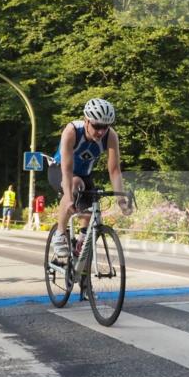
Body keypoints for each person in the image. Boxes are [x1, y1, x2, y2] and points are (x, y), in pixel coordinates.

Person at [48, 98, 131, 262]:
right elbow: (67, 168)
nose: (101, 132)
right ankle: (59, 234)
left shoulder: (110, 135)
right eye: (97, 126)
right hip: (60, 170)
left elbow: (114, 170)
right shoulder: (72, 131)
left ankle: (81, 246)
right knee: (76, 184)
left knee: (92, 207)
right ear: (86, 121)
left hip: (84, 175)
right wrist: (70, 198)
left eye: (105, 127)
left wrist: (121, 200)